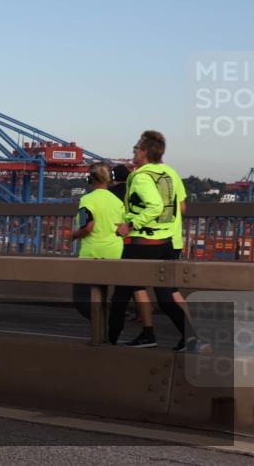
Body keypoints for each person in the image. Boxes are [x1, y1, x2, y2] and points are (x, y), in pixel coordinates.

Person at [108, 131, 201, 351]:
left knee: (122, 292)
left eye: (135, 149)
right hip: (170, 241)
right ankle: (190, 337)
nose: (133, 152)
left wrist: (130, 225)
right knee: (165, 295)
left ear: (145, 153)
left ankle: (108, 342)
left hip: (145, 242)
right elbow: (181, 206)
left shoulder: (140, 176)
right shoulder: (170, 172)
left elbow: (155, 207)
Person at [70, 162, 124, 325]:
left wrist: (73, 235)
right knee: (101, 294)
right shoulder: (117, 201)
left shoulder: (87, 199)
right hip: (115, 254)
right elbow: (122, 228)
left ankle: (106, 325)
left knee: (81, 299)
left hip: (92, 254)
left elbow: (87, 227)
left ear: (90, 179)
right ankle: (107, 329)